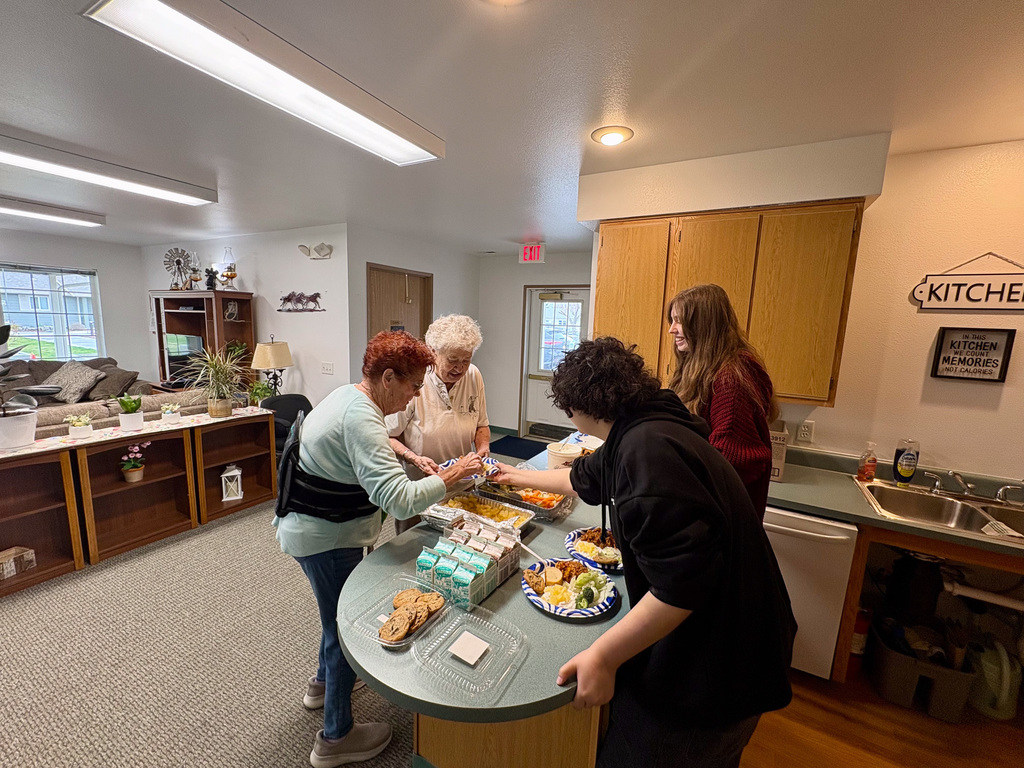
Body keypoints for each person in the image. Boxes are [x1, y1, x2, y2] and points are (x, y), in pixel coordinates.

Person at [493, 337, 796, 768]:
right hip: (733, 639)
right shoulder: (646, 426)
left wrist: (603, 654)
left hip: (721, 666)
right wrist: (516, 477)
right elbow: (582, 478)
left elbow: (681, 587)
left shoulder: (647, 453)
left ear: (582, 408)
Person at [274, 331, 482, 768]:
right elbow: (399, 501)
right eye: (413, 385)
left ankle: (321, 686)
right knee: (342, 625)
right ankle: (335, 738)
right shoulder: (363, 417)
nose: (416, 394)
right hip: (325, 537)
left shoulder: (348, 397)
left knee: (331, 612)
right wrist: (451, 474)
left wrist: (409, 456)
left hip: (313, 527)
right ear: (388, 378)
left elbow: (372, 443)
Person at [667, 283, 779, 520]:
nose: (672, 329)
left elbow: (732, 462)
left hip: (720, 519)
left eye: (679, 320)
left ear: (703, 325)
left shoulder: (730, 379)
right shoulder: (708, 368)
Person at [386, 314, 490, 534]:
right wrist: (414, 458)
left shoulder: (474, 375)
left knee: (459, 547)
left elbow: (481, 425)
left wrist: (483, 449)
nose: (460, 368)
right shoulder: (414, 381)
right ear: (433, 353)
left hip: (463, 486)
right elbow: (388, 436)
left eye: (466, 360)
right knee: (414, 547)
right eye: (453, 360)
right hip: (420, 488)